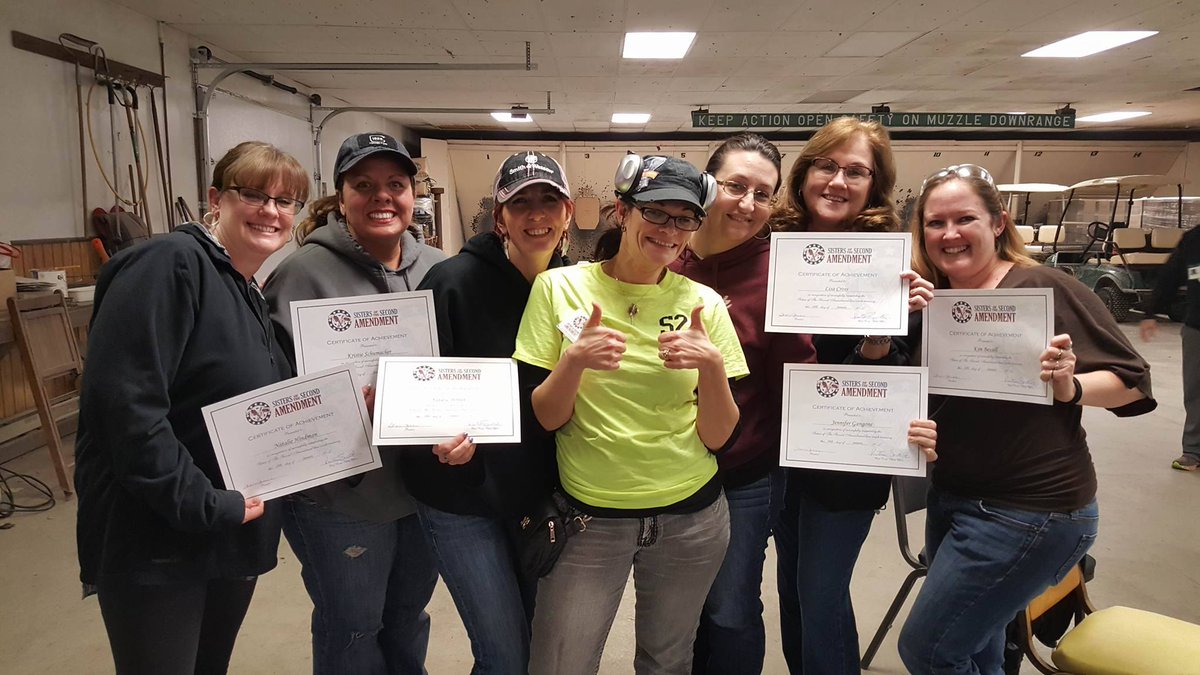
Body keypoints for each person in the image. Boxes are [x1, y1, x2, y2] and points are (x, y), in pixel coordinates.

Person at [898, 164, 1155, 675]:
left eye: (964, 218)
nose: (948, 234)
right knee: (978, 644)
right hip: (953, 497)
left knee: (929, 649)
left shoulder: (1041, 286)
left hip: (1031, 511)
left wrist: (1069, 385)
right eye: (934, 223)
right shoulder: (926, 300)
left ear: (998, 222)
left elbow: (1133, 381)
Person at [74, 141, 308, 674]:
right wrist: (205, 503)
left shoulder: (243, 286)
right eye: (253, 194)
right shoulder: (168, 265)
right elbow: (126, 411)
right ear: (215, 199)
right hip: (161, 538)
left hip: (225, 528)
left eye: (286, 201)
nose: (271, 211)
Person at [515, 156, 748, 674]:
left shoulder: (704, 305)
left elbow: (717, 436)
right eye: (656, 213)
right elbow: (547, 418)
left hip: (691, 518)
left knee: (667, 661)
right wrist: (574, 361)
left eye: (684, 218)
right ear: (623, 212)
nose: (669, 230)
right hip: (589, 518)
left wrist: (710, 365)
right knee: (561, 663)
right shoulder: (559, 288)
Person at [265, 132, 445, 675]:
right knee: (352, 625)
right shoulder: (301, 274)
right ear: (340, 197)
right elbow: (273, 387)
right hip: (340, 496)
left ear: (414, 195)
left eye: (395, 184)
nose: (381, 197)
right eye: (363, 185)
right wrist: (336, 405)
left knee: (408, 616)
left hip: (424, 488)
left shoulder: (439, 268)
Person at [770, 117, 937, 675]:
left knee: (819, 594)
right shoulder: (771, 247)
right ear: (805, 172)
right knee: (793, 592)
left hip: (846, 456)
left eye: (856, 171)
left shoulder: (891, 263)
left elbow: (902, 375)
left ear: (875, 184)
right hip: (773, 453)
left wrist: (882, 335)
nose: (838, 181)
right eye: (827, 165)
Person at [402, 151, 573, 672]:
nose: (536, 214)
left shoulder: (576, 289)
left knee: (537, 645)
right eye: (520, 202)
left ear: (568, 213)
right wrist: (436, 433)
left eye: (549, 200)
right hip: (460, 494)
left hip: (541, 493)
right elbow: (419, 385)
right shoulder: (450, 283)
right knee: (503, 652)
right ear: (499, 216)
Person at [667, 133, 817, 674]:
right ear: (708, 186)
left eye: (764, 193)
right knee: (675, 613)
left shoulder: (782, 272)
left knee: (730, 609)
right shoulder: (665, 254)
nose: (748, 205)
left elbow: (797, 381)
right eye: (735, 186)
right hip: (666, 474)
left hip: (743, 476)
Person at [1139, 225, 1200, 471]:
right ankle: (1194, 452)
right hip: (1198, 327)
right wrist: (1151, 311)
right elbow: (1170, 275)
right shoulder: (1194, 239)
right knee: (1196, 390)